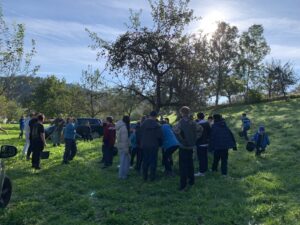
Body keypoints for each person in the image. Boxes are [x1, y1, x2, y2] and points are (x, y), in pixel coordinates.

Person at [173, 106, 203, 191]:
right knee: (190, 164)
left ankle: (183, 185)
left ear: (181, 113)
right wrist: (195, 138)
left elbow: (175, 131)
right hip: (191, 146)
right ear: (189, 112)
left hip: (183, 147)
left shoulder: (180, 123)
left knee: (183, 166)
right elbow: (201, 129)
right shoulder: (192, 122)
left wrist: (181, 139)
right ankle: (191, 181)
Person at [140, 111, 163, 181]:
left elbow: (139, 134)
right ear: (156, 116)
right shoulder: (157, 125)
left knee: (145, 160)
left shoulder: (143, 124)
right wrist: (160, 144)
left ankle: (145, 177)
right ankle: (152, 177)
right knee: (153, 161)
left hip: (144, 145)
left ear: (149, 115)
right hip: (153, 145)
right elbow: (159, 136)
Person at [195, 112, 211, 177]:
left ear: (198, 117)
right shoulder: (207, 123)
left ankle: (201, 172)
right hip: (206, 142)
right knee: (205, 156)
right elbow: (210, 132)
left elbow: (196, 135)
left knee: (201, 158)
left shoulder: (198, 124)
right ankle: (205, 168)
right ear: (204, 116)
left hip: (200, 143)